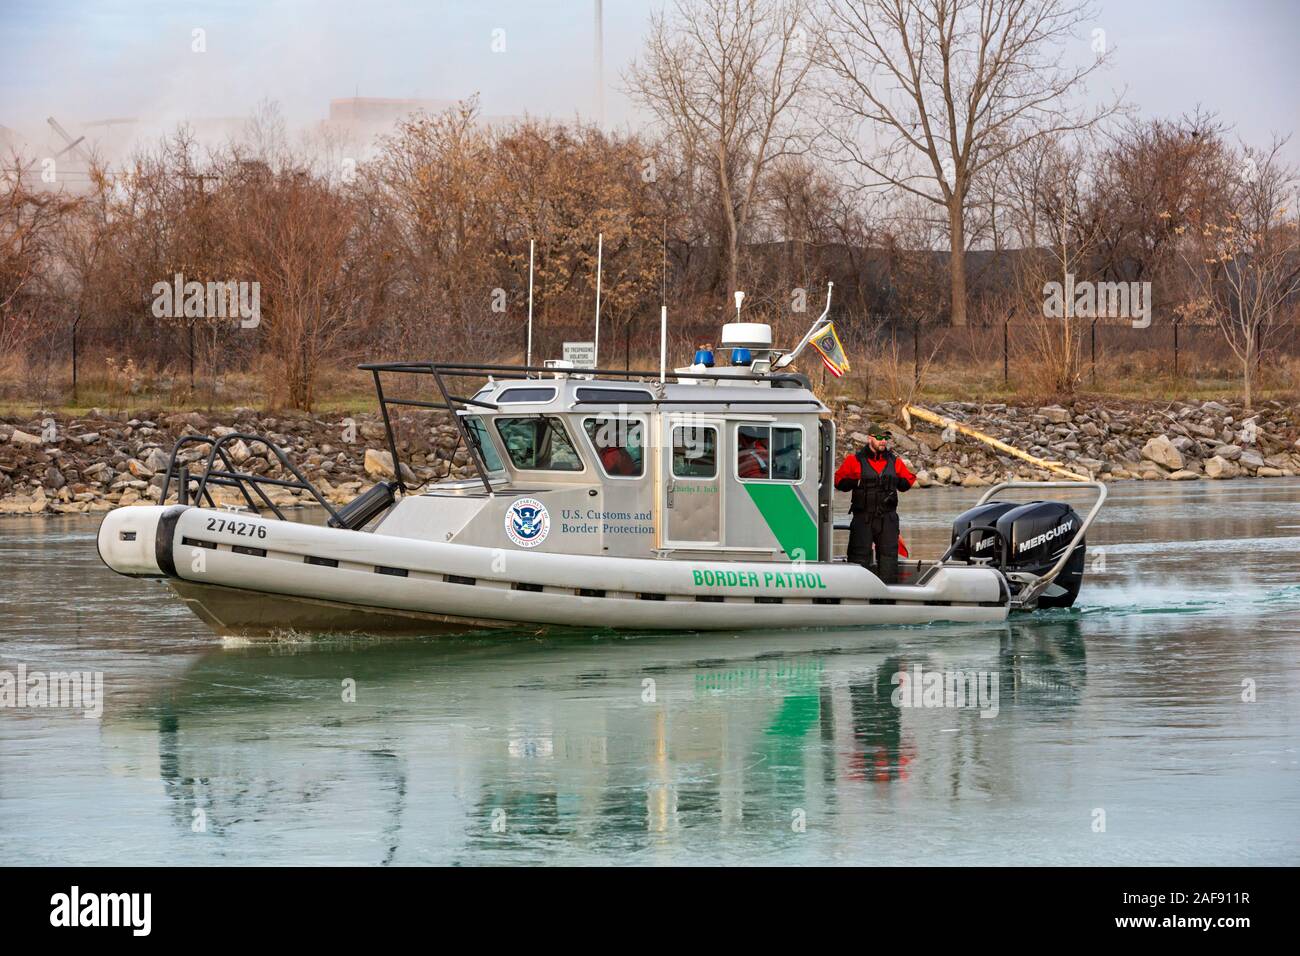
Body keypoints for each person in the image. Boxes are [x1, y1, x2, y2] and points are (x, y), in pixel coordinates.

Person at [834, 424, 916, 584]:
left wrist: (896, 480)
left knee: (889, 557)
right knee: (859, 556)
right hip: (863, 518)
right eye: (879, 438)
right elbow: (838, 482)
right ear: (870, 438)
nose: (883, 441)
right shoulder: (854, 460)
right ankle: (858, 593)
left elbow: (908, 482)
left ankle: (888, 595)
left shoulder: (895, 462)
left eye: (885, 438)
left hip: (888, 519)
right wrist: (855, 482)